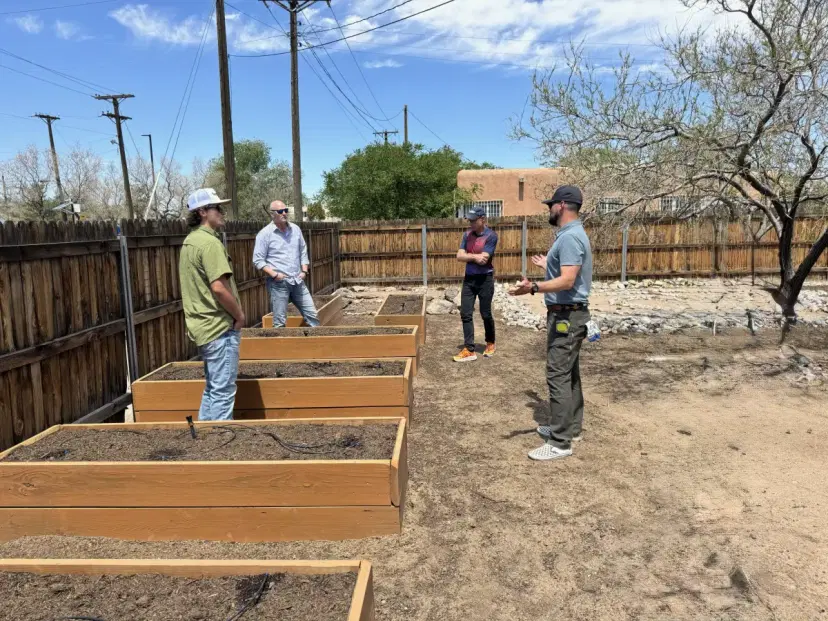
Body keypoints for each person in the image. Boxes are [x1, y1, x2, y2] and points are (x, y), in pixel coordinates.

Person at [509, 185, 593, 461]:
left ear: (562, 205)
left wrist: (533, 287)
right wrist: (550, 266)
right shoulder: (570, 235)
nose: (548, 209)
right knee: (570, 374)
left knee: (558, 375)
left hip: (566, 317)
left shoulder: (570, 238)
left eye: (551, 205)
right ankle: (571, 427)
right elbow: (569, 275)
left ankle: (560, 442)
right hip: (569, 313)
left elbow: (568, 281)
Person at [179, 188, 245, 421]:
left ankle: (206, 441)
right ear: (202, 212)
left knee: (212, 387)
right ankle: (220, 445)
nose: (222, 212)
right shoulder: (209, 244)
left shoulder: (190, 242)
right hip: (219, 327)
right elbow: (218, 288)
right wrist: (239, 316)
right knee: (223, 391)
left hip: (203, 326)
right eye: (218, 208)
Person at [253, 200, 320, 328]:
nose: (284, 213)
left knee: (312, 315)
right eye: (280, 211)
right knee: (279, 322)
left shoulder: (296, 229)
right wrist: (274, 275)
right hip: (278, 284)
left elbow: (303, 251)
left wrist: (304, 271)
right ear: (272, 214)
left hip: (298, 281)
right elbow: (258, 260)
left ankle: (315, 346)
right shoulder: (265, 234)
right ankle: (280, 347)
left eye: (286, 210)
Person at [454, 206, 498, 362]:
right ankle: (469, 349)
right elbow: (459, 256)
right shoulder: (467, 235)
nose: (471, 223)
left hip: (485, 279)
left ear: (482, 219)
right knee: (465, 313)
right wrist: (474, 257)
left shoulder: (491, 236)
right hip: (469, 279)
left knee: (485, 314)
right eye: (469, 220)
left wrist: (467, 255)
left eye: (474, 220)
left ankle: (490, 342)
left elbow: (484, 259)